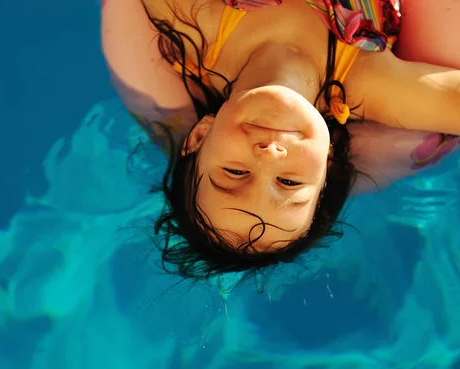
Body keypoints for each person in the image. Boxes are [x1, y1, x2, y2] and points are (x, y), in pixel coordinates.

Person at [102, 0, 460, 280]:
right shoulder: (368, 82)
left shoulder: (194, 23)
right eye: (289, 181)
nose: (269, 157)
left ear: (199, 135)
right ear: (329, 161)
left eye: (235, 173)